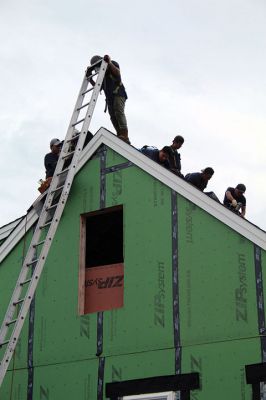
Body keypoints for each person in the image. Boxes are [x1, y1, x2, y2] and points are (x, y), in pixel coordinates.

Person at [88, 54, 130, 144]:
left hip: (118, 93)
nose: (99, 69)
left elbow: (118, 74)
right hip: (109, 98)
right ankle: (120, 136)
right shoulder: (102, 76)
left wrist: (109, 62)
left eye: (99, 66)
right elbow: (98, 88)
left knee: (118, 111)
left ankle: (125, 135)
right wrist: (90, 77)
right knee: (113, 117)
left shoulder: (112, 65)